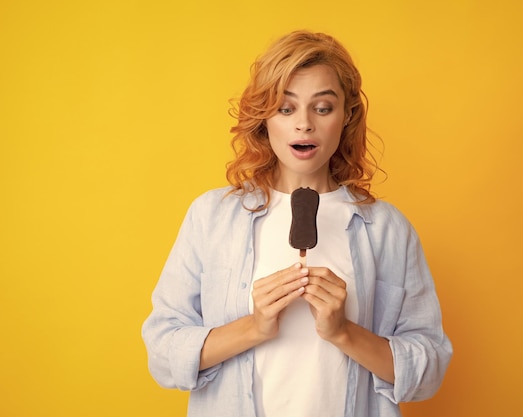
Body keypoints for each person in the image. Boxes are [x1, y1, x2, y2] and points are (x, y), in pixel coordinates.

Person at [142, 30, 452, 417]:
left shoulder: (388, 230)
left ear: (347, 116)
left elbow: (430, 369)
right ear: (264, 118)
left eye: (322, 108)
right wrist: (254, 326)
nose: (304, 124)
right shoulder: (211, 217)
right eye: (286, 109)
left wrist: (343, 331)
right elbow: (163, 353)